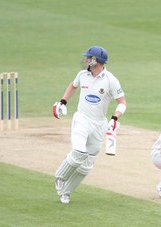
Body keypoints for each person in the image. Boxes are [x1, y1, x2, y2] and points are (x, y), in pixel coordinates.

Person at [52, 46, 127, 204]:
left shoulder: (110, 80)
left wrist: (114, 119)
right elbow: (73, 86)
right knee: (79, 152)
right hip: (82, 119)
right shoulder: (82, 75)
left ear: (96, 61)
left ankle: (66, 192)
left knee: (87, 164)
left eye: (88, 58)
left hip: (99, 124)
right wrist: (63, 102)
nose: (86, 60)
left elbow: (122, 103)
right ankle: (60, 176)